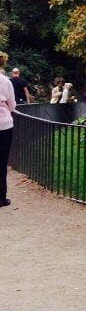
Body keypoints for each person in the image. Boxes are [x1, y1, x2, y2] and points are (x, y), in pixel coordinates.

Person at [0, 52, 14, 207]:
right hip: (3, 125)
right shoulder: (5, 81)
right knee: (2, 161)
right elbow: (13, 105)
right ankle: (1, 197)